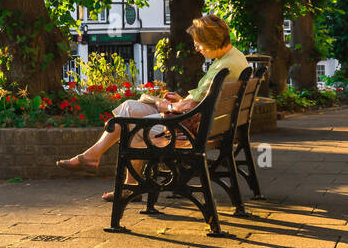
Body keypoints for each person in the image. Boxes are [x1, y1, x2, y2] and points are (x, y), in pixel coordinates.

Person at [56, 14, 248, 190]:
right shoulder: (233, 58)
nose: (196, 48)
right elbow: (204, 99)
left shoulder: (224, 66)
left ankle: (124, 183)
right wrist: (180, 100)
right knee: (128, 107)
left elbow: (193, 106)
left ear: (211, 41)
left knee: (131, 125)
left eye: (199, 44)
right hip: (207, 123)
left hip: (189, 129)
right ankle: (95, 158)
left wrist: (170, 106)